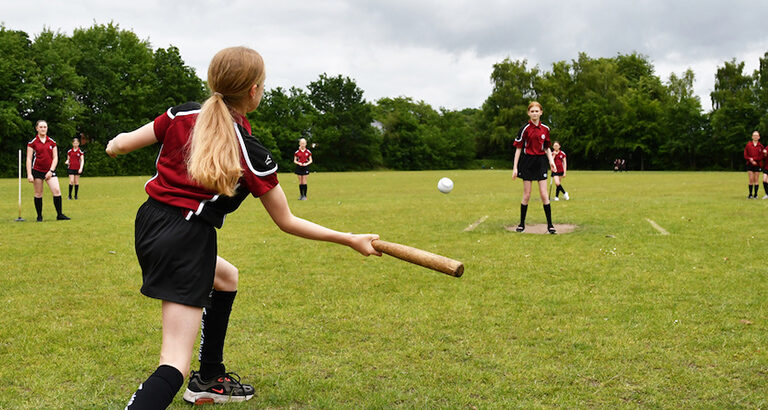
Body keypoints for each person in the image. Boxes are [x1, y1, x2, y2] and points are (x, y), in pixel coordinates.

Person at [107, 46, 381, 409]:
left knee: (226, 277)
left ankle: (208, 379)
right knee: (173, 363)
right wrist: (349, 239)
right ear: (253, 91)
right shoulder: (252, 154)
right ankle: (187, 382)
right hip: (186, 237)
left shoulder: (182, 113)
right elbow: (287, 221)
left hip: (150, 223)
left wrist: (111, 146)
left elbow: (120, 145)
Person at [512, 101, 557, 234]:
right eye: (532, 111)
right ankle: (521, 224)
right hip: (527, 162)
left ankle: (550, 226)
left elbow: (547, 147)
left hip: (541, 162)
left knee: (544, 195)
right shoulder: (524, 129)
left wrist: (551, 162)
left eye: (537, 111)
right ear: (528, 113)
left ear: (541, 112)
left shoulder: (546, 129)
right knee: (527, 195)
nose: (534, 113)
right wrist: (515, 167)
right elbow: (518, 149)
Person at [26, 120, 70, 221]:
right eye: (41, 127)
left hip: (50, 171)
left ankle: (59, 215)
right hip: (37, 170)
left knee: (57, 190)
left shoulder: (52, 142)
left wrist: (51, 171)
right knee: (38, 193)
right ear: (37, 128)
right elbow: (29, 159)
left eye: (45, 127)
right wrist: (29, 174)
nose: (43, 129)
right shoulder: (32, 143)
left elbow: (55, 158)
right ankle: (39, 216)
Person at [744, 130, 764, 199]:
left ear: (759, 137)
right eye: (754, 135)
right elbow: (745, 155)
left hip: (757, 165)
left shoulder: (760, 146)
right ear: (752, 137)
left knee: (756, 180)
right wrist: (750, 159)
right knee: (750, 179)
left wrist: (755, 160)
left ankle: (755, 195)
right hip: (750, 164)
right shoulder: (748, 145)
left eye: (757, 135)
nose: (755, 137)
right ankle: (750, 195)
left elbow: (761, 156)